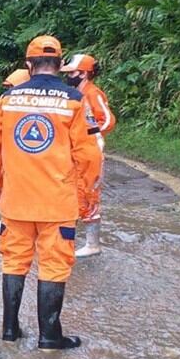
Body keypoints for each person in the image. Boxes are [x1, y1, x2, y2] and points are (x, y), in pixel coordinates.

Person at [0, 35, 102, 350]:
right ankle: (49, 336)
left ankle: (10, 331)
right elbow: (89, 156)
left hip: (16, 200)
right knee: (54, 265)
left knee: (14, 261)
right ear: (60, 65)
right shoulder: (75, 99)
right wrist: (85, 193)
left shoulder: (8, 100)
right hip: (57, 203)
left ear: (28, 64)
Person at [60, 54, 116, 258]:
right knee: (73, 190)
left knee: (89, 191)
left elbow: (108, 119)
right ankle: (69, 239)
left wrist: (90, 134)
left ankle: (93, 244)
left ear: (84, 73)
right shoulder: (76, 93)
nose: (69, 76)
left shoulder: (92, 93)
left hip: (91, 148)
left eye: (72, 73)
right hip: (77, 148)